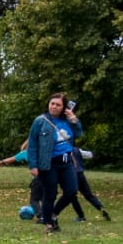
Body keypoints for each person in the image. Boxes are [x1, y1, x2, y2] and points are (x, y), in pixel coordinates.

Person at [60, 99, 111, 221]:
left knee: (72, 196)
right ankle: (101, 208)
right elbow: (90, 155)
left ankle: (81, 216)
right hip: (80, 173)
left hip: (70, 174)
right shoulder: (78, 150)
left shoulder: (62, 151)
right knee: (88, 194)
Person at [26, 93, 67, 232]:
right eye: (52, 103)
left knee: (72, 191)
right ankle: (49, 223)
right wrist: (33, 165)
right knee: (50, 193)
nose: (54, 107)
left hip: (66, 163)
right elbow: (32, 144)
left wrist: (74, 119)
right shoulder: (40, 121)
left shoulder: (67, 121)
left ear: (63, 107)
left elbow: (78, 134)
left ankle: (52, 215)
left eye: (58, 104)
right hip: (47, 163)